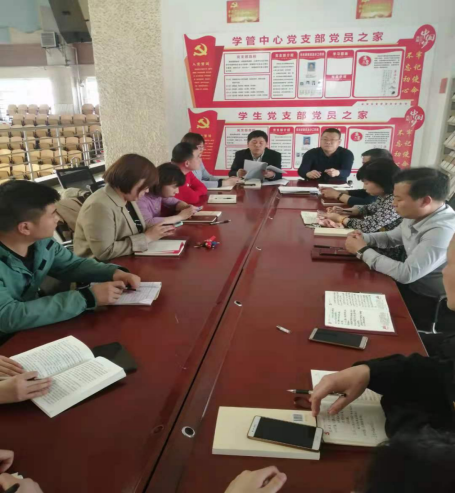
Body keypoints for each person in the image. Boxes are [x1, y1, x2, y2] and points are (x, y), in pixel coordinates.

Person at [0, 180, 141, 334]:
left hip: (32, 325)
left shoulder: (42, 243)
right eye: (52, 214)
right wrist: (86, 298)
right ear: (25, 227)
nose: (58, 219)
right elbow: (7, 316)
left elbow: (72, 266)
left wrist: (113, 272)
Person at [345, 168, 455, 333]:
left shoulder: (442, 230)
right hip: (408, 285)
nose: (393, 203)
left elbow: (407, 274)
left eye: (399, 199)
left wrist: (362, 250)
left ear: (425, 201)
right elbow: (392, 237)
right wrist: (362, 237)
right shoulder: (417, 213)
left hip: (428, 299)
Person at [74, 154, 176, 261]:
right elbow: (104, 252)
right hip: (101, 266)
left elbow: (136, 229)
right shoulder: (98, 206)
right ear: (130, 180)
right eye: (145, 187)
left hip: (127, 259)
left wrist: (156, 232)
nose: (147, 191)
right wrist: (147, 238)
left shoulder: (127, 197)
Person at [323, 160, 403, 259]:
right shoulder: (384, 195)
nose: (364, 187)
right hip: (375, 244)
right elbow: (368, 208)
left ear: (382, 183)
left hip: (388, 253)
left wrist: (340, 218)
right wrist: (345, 211)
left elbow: (368, 226)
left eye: (366, 183)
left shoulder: (394, 201)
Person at [322, 148, 394, 206]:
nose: (363, 167)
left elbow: (368, 202)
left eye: (365, 164)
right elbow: (366, 193)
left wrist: (337, 195)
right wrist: (338, 191)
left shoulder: (387, 179)